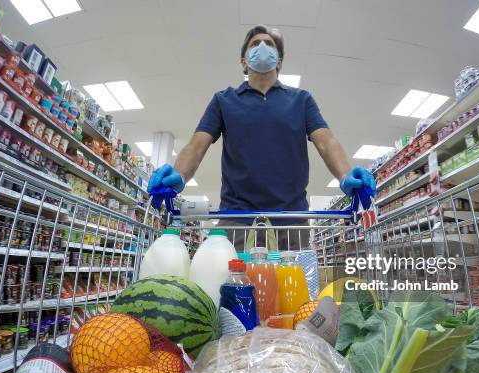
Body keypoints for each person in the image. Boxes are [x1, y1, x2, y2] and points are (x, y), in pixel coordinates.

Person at [148, 24, 375, 250]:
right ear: (244, 61)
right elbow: (196, 146)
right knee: (232, 283)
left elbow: (326, 142)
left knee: (290, 286)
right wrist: (178, 175)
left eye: (270, 44)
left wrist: (345, 175)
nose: (263, 47)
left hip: (292, 221)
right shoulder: (223, 100)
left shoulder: (301, 100)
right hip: (236, 219)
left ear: (279, 61)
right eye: (255, 44)